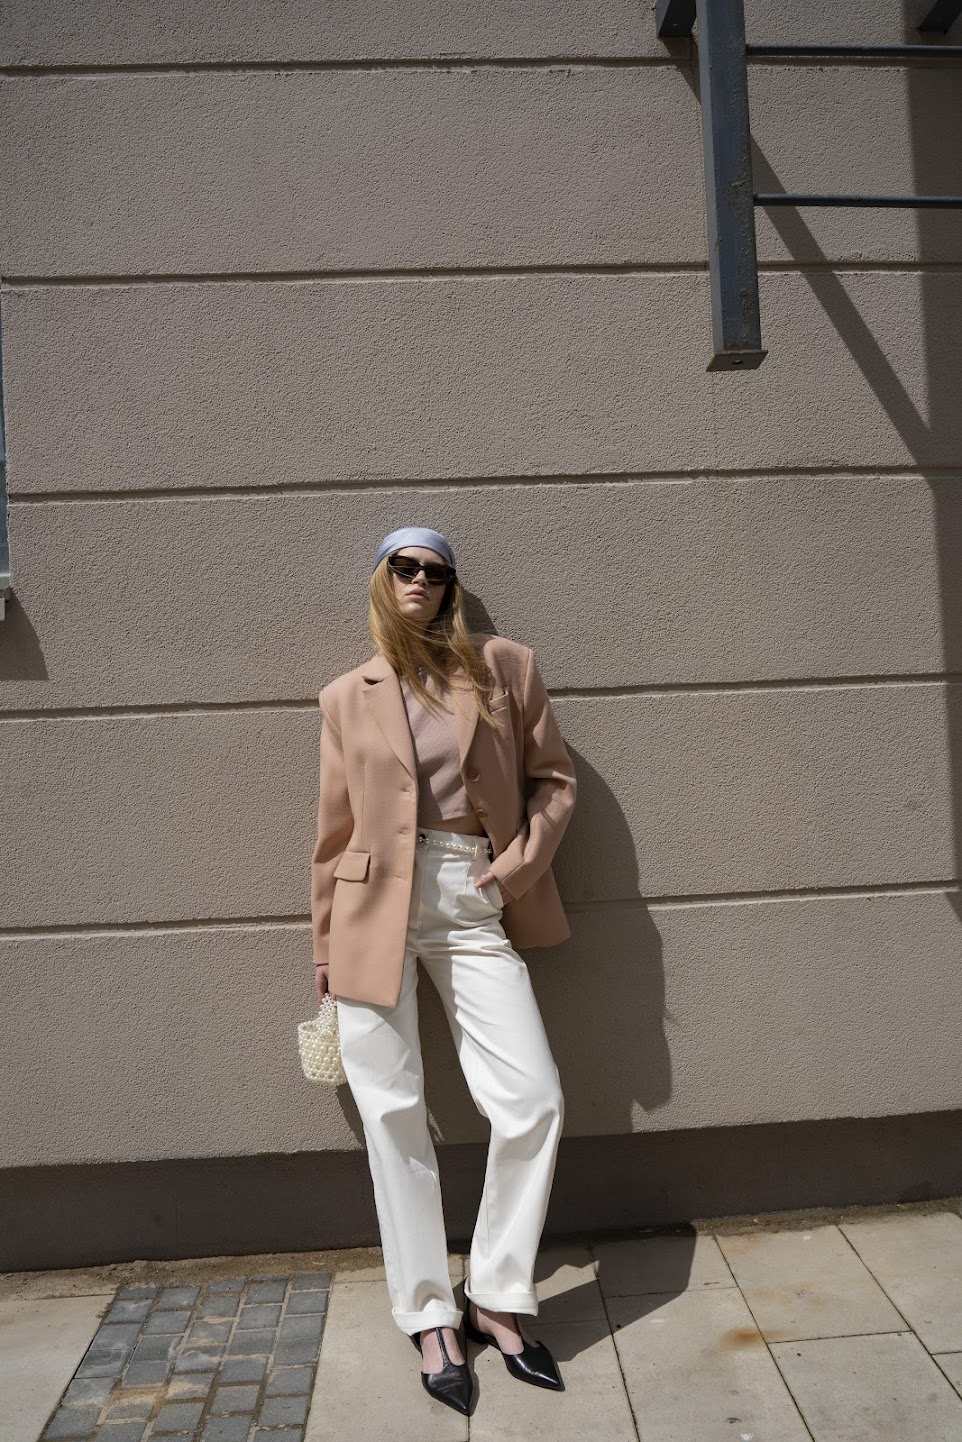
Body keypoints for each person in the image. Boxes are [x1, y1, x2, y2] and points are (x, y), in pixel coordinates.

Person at [310, 525, 577, 1414]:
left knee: (533, 1099)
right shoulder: (346, 696)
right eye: (405, 566)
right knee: (393, 1118)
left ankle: (496, 1295)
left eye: (436, 569)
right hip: (368, 908)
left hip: (471, 892)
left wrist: (516, 866)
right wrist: (323, 944)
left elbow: (554, 781)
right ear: (382, 579)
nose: (421, 579)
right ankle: (429, 1317)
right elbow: (333, 832)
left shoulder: (503, 667)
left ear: (452, 585)